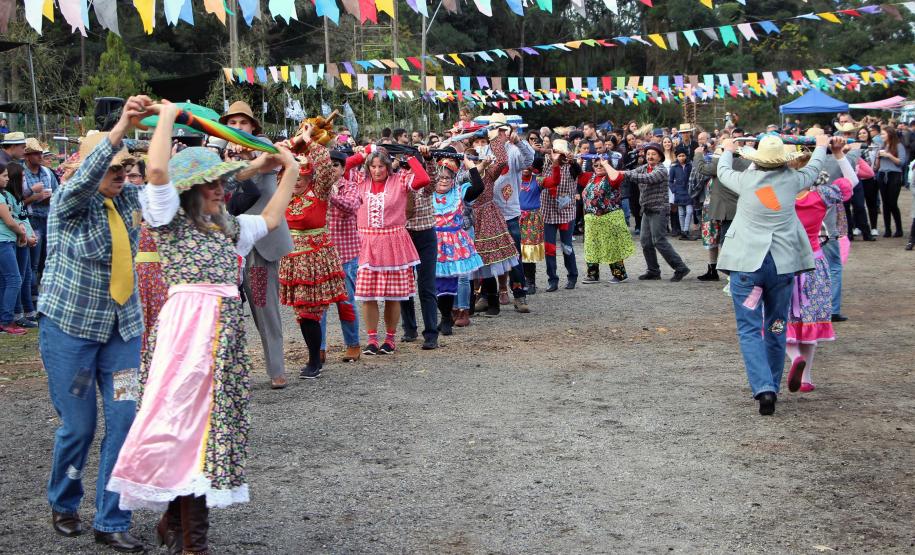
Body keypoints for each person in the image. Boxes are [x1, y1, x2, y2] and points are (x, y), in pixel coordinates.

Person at [106, 102, 297, 555]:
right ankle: (191, 540)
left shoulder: (229, 227)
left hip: (222, 336)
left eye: (220, 182)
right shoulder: (168, 218)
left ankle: (178, 526)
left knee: (209, 427)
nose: (220, 190)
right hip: (186, 330)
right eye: (211, 184)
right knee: (183, 423)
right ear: (192, 189)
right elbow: (155, 172)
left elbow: (271, 219)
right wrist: (169, 115)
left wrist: (288, 168)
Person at [39, 96, 151, 552]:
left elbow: (171, 185)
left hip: (122, 333)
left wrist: (254, 162)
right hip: (72, 334)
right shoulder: (68, 202)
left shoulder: (128, 199)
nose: (121, 175)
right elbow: (86, 178)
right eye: (113, 168)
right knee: (79, 427)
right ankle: (64, 502)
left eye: (126, 170)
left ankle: (111, 519)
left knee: (124, 420)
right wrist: (122, 124)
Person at [715, 133, 835, 416]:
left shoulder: (745, 181)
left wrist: (728, 149)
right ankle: (772, 385)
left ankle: (764, 388)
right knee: (777, 325)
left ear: (756, 159)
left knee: (749, 328)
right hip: (782, 265)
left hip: (747, 266)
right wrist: (820, 145)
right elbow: (814, 168)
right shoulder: (793, 180)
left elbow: (722, 170)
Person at [221, 101, 292, 389]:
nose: (237, 128)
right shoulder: (218, 156)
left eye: (243, 123)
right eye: (232, 124)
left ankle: (276, 370)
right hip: (228, 245)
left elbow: (268, 155)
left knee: (264, 307)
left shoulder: (262, 146)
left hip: (260, 246)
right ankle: (228, 374)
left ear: (253, 127)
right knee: (225, 311)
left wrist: (247, 151)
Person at [348, 146, 430, 354]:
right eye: (373, 166)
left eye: (381, 166)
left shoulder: (400, 180)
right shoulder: (359, 181)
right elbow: (342, 167)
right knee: (367, 295)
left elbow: (423, 180)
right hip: (366, 243)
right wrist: (362, 152)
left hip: (394, 242)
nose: (377, 171)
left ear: (388, 166)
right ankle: (372, 339)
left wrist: (410, 156)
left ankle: (390, 339)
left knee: (393, 295)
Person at [278, 138, 347, 379]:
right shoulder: (284, 192)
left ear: (309, 177)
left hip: (315, 258)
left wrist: (309, 143)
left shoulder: (318, 191)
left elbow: (326, 168)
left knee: (310, 312)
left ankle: (315, 359)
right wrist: (288, 146)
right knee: (300, 313)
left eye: (300, 176)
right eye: (292, 176)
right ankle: (314, 356)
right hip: (292, 259)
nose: (295, 180)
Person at [786, 165, 855, 393]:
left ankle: (794, 356)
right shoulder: (821, 197)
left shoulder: (778, 197)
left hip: (784, 263)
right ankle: (806, 379)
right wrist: (839, 155)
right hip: (814, 263)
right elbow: (851, 181)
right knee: (810, 319)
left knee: (780, 318)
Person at [608, 142, 689, 282]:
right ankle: (653, 271)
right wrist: (618, 172)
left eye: (653, 154)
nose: (650, 156)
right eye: (648, 154)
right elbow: (632, 173)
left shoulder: (661, 170)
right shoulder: (644, 167)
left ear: (660, 157)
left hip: (659, 209)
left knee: (659, 241)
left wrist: (620, 174)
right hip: (647, 209)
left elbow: (647, 179)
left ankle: (680, 268)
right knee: (645, 241)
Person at [431, 156, 485, 335]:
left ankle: (447, 318)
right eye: (440, 177)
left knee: (450, 281)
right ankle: (444, 316)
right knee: (435, 283)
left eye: (447, 177)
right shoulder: (427, 194)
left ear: (453, 179)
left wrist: (471, 168)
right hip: (433, 242)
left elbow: (479, 187)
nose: (444, 181)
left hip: (454, 242)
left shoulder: (459, 192)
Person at [486, 114, 534, 314]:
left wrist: (520, 142)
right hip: (487, 212)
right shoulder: (483, 151)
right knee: (487, 255)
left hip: (509, 212)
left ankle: (519, 295)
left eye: (502, 130)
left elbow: (530, 160)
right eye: (496, 130)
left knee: (514, 256)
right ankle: (487, 296)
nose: (499, 134)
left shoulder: (514, 151)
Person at [322, 149, 363, 363]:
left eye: (335, 165)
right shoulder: (314, 188)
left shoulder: (352, 187)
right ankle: (318, 349)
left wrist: (332, 195)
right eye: (327, 165)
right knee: (318, 304)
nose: (331, 169)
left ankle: (353, 344)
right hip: (320, 255)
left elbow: (351, 207)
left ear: (343, 168)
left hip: (346, 256)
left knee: (345, 302)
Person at [400, 147, 440, 350]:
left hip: (425, 236)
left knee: (426, 286)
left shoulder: (423, 181)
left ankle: (431, 333)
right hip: (404, 236)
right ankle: (409, 328)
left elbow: (431, 178)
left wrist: (427, 157)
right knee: (404, 287)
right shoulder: (399, 178)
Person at [579, 157, 634, 283]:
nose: (599, 167)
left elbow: (617, 178)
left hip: (609, 218)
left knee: (612, 246)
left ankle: (619, 274)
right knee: (591, 247)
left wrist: (607, 165)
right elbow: (578, 174)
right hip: (592, 220)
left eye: (601, 165)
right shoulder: (590, 177)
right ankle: (593, 275)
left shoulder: (611, 177)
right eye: (596, 165)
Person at [540, 140, 579, 291]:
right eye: (556, 152)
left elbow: (579, 172)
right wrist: (545, 152)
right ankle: (552, 279)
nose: (558, 156)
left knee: (566, 246)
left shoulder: (572, 167)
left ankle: (572, 276)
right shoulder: (544, 164)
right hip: (548, 211)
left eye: (561, 153)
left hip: (566, 212)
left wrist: (572, 160)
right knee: (549, 248)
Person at [22, 137, 60, 289]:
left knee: (49, 258)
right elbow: (17, 199)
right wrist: (34, 198)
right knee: (34, 261)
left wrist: (51, 198)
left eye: (41, 153)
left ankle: (45, 293)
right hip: (33, 219)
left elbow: (58, 192)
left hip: (48, 218)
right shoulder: (22, 174)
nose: (40, 156)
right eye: (36, 153)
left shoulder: (46, 172)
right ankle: (33, 295)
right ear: (27, 156)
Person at [0, 162, 32, 335]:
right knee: (14, 279)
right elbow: (9, 221)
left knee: (6, 281)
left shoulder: (4, 195)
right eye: (4, 176)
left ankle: (4, 319)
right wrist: (22, 234)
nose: (7, 179)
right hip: (3, 241)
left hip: (7, 240)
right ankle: (6, 320)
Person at [5, 163, 38, 328]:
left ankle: (29, 311)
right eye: (23, 178)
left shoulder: (17, 197)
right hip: (17, 240)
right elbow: (14, 220)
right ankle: (15, 314)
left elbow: (24, 219)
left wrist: (32, 235)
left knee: (24, 277)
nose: (25, 180)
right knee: (16, 278)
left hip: (24, 239)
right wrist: (26, 235)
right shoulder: (7, 197)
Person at [874, 125, 906, 237]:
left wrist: (889, 155)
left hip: (894, 175)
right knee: (885, 203)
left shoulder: (898, 146)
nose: (881, 136)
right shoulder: (881, 146)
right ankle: (887, 230)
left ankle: (899, 229)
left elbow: (901, 162)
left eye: (883, 134)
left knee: (892, 202)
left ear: (890, 134)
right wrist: (878, 157)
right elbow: (876, 167)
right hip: (882, 174)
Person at [519, 165, 545, 293]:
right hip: (515, 217)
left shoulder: (538, 180)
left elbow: (555, 181)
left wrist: (556, 164)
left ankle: (530, 282)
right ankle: (517, 281)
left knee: (528, 250)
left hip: (532, 218)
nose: (525, 167)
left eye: (528, 163)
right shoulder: (513, 178)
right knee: (515, 250)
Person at [669, 146, 693, 240]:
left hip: (688, 192)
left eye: (683, 155)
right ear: (676, 157)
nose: (681, 158)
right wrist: (674, 190)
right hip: (678, 192)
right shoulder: (674, 168)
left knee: (690, 211)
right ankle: (683, 231)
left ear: (686, 156)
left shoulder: (690, 166)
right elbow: (670, 181)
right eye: (679, 156)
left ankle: (686, 229)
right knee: (681, 213)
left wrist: (692, 189)